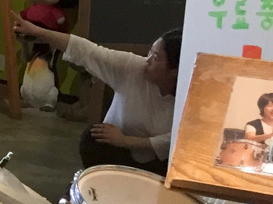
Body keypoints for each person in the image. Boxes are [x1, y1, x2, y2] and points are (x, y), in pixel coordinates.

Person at [13, 14, 179, 175]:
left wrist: (125, 141)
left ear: (175, 70)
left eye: (155, 57)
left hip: (156, 163)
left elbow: (173, 140)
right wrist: (37, 31)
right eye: (150, 52)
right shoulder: (134, 68)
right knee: (92, 139)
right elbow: (87, 51)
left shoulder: (186, 98)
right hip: (115, 152)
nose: (147, 60)